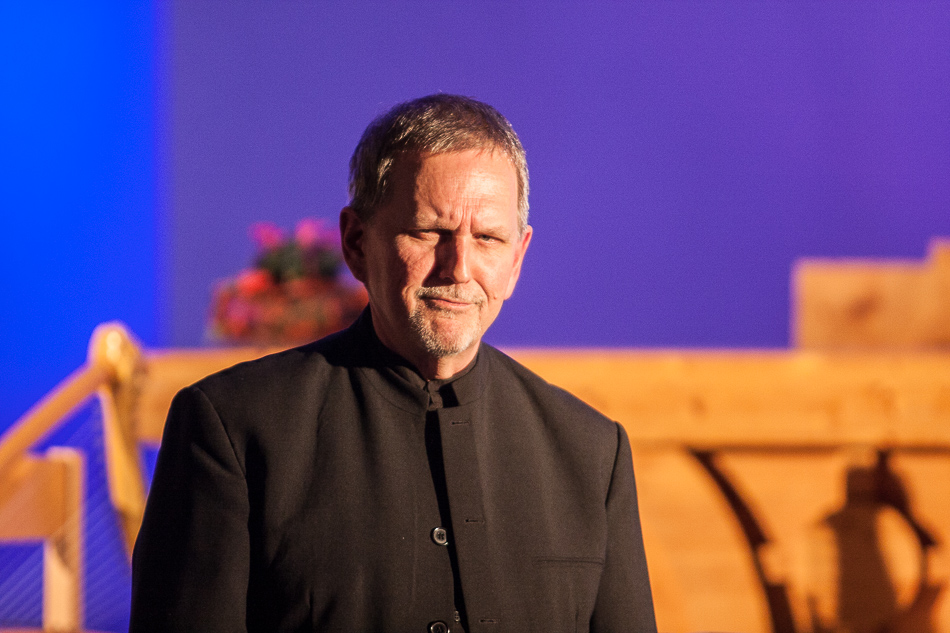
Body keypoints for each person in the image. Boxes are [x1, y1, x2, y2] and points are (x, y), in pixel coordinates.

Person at [130, 94, 656, 633]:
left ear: (517, 258)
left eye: (488, 238)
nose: (459, 268)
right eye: (428, 232)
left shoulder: (591, 452)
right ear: (357, 242)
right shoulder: (235, 428)